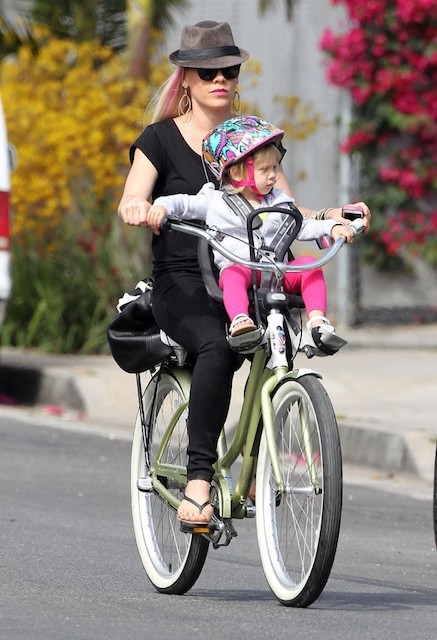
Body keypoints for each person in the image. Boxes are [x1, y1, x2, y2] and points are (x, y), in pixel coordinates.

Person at [117, 20, 371, 527]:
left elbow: (286, 217)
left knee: (270, 341)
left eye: (229, 70)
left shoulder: (253, 141)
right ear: (185, 78)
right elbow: (132, 196)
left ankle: (254, 461)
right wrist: (141, 208)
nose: (221, 79)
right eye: (208, 70)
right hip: (184, 279)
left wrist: (335, 220)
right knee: (217, 346)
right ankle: (197, 484)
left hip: (250, 269)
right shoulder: (160, 140)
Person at [146, 114, 357, 356]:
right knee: (232, 274)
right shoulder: (216, 201)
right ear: (237, 173)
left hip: (276, 272)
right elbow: (184, 203)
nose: (273, 175)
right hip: (243, 270)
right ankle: (240, 321)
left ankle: (317, 322)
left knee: (309, 264)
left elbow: (299, 226)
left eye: (275, 168)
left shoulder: (278, 200)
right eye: (265, 169)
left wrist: (331, 227)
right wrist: (161, 207)